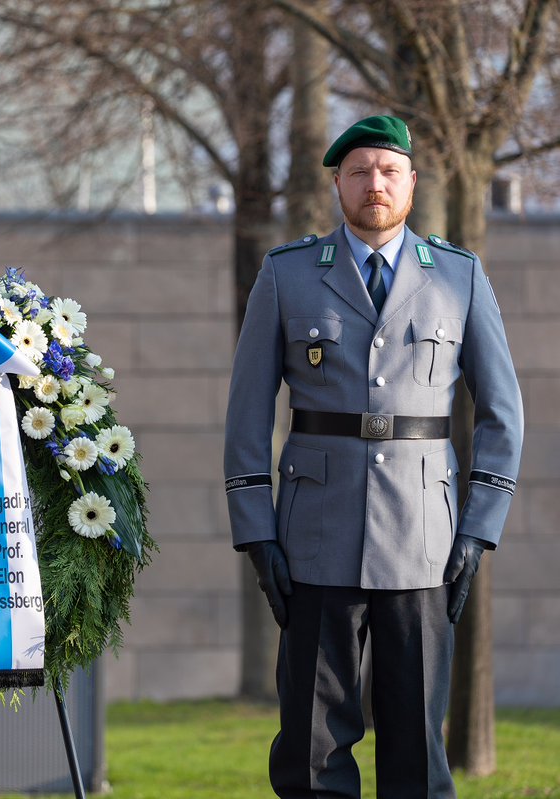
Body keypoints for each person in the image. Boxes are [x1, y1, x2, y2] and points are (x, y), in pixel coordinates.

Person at [223, 115, 523, 798]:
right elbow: (245, 414)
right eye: (358, 171)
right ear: (337, 183)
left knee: (415, 747)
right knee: (309, 750)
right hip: (314, 536)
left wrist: (478, 526)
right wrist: (255, 530)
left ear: (412, 184)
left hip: (424, 539)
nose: (373, 184)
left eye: (388, 171)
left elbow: (502, 412)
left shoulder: (458, 277)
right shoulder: (286, 274)